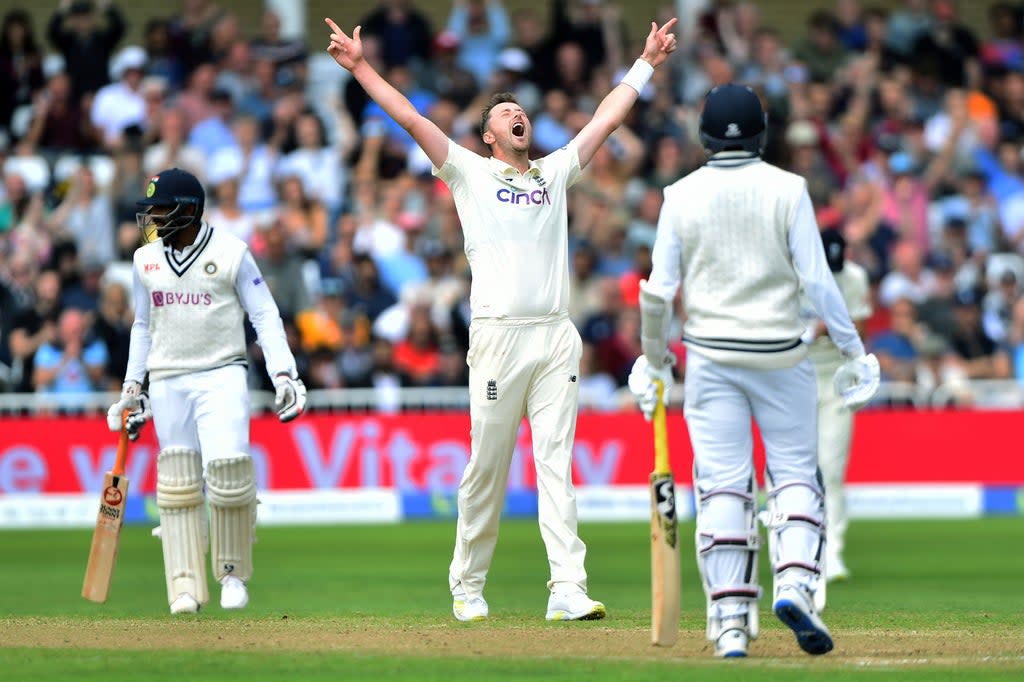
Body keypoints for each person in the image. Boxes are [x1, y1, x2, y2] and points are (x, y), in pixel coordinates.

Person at [324, 14, 677, 622]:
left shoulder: (555, 171)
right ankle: (467, 586)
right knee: (487, 467)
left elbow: (607, 117)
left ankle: (567, 588)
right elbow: (409, 117)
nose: (520, 118)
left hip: (554, 336)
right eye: (506, 115)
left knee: (555, 465)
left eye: (523, 114)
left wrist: (646, 61)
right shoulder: (466, 170)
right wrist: (360, 67)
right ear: (489, 134)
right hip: (497, 336)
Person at [627, 85, 879, 658]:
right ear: (763, 132)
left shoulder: (679, 194)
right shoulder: (789, 189)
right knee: (794, 475)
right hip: (780, 352)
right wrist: (853, 349)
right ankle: (794, 585)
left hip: (711, 355)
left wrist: (653, 358)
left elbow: (658, 293)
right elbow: (819, 281)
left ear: (704, 134)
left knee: (721, 483)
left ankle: (732, 622)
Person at [105, 167, 307, 615]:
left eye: (162, 208)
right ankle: (183, 586)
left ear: (189, 209)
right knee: (177, 483)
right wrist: (132, 388)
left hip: (222, 372)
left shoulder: (232, 253)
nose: (154, 218)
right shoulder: (145, 260)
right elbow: (142, 325)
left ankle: (232, 573)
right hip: (167, 377)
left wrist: (284, 375)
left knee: (229, 472)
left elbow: (265, 315)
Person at [800, 228, 871, 587]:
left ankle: (832, 553)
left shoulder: (854, 277)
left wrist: (833, 328)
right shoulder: (794, 273)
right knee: (794, 469)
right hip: (794, 378)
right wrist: (814, 329)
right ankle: (796, 549)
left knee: (831, 468)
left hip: (837, 380)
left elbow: (860, 329)